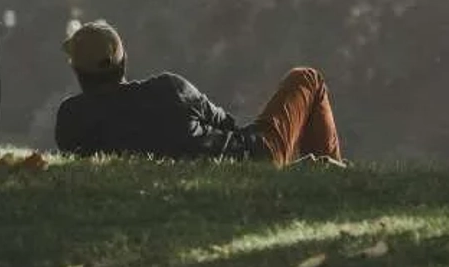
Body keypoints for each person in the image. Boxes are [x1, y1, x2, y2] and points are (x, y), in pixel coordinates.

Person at [54, 19, 343, 166]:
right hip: (250, 156)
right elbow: (229, 125)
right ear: (124, 61)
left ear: (78, 72)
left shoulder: (71, 118)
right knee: (307, 78)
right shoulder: (169, 88)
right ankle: (335, 176)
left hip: (227, 170)